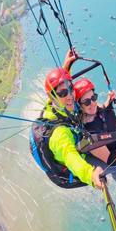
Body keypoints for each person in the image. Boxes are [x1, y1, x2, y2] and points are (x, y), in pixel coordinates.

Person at [30, 51, 104, 189]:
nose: (70, 96)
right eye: (63, 94)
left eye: (70, 88)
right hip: (69, 172)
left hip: (75, 139)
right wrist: (90, 174)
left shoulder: (55, 104)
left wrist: (65, 69)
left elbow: (58, 89)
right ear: (53, 98)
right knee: (112, 166)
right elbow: (70, 156)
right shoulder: (59, 135)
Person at [73, 78, 116, 196]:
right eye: (87, 102)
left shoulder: (93, 108)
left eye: (93, 98)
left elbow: (102, 108)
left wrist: (109, 100)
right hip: (90, 153)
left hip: (103, 145)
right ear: (79, 105)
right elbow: (111, 160)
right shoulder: (87, 132)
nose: (93, 103)